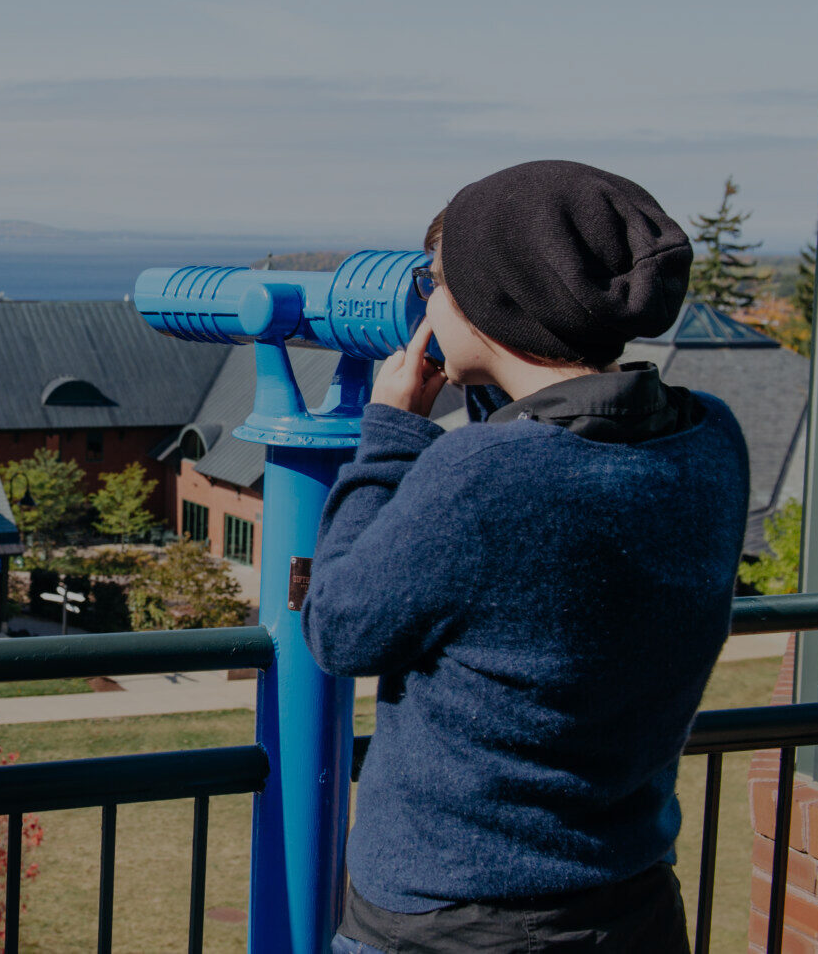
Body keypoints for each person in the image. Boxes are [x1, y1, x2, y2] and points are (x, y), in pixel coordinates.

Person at [304, 160, 750, 953]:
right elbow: (551, 485)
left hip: (455, 921)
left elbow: (339, 628)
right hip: (631, 902)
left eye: (435, 282)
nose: (428, 304)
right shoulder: (710, 440)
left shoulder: (480, 478)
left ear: (492, 297)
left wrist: (391, 431)